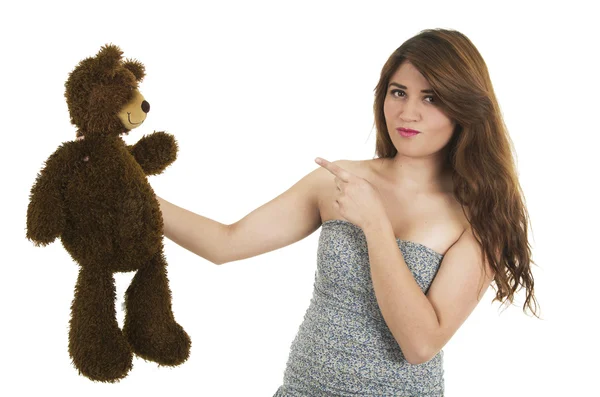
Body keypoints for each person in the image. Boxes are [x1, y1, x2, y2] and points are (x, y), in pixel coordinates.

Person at [156, 28, 540, 397]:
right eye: (398, 92)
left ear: (463, 108)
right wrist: (130, 192)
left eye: (431, 98)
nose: (408, 112)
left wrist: (374, 223)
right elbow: (225, 243)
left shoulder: (480, 217)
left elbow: (420, 344)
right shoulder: (339, 180)